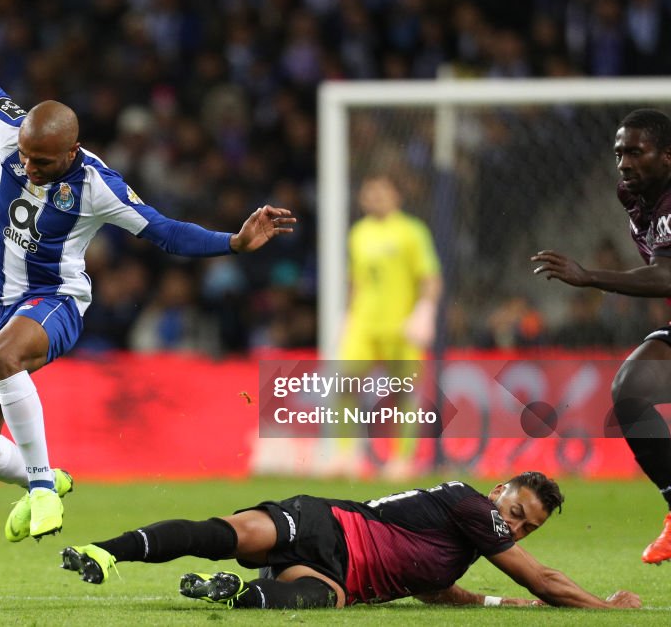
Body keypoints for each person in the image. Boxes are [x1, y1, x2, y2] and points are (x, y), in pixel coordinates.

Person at [0, 0, 296, 543]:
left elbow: (164, 230)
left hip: (55, 302)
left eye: (41, 162)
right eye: (24, 157)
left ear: (71, 151)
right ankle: (51, 478)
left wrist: (235, 242)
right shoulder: (10, 133)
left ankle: (43, 488)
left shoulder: (99, 186)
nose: (27, 167)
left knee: (3, 360)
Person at [60, 472, 641, 610]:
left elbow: (433, 589)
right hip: (326, 525)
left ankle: (229, 592)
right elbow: (539, 578)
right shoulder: (468, 503)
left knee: (312, 601)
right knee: (224, 533)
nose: (513, 528)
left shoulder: (464, 543)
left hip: (342, 579)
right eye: (515, 513)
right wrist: (606, 608)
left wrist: (495, 603)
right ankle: (107, 551)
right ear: (498, 492)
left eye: (526, 527)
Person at [532, 108, 671, 564]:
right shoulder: (633, 196)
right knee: (631, 388)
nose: (624, 163)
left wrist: (589, 276)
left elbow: (666, 275)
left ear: (668, 156)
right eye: (618, 153)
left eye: (636, 152)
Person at [328, 174, 442, 478]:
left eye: (382, 191)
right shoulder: (358, 233)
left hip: (401, 325)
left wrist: (425, 310)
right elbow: (356, 280)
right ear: (362, 198)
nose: (376, 197)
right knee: (345, 384)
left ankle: (401, 460)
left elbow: (429, 276)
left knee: (403, 391)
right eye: (370, 191)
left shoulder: (411, 231)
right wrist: (347, 315)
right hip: (364, 323)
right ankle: (345, 455)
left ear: (396, 196)